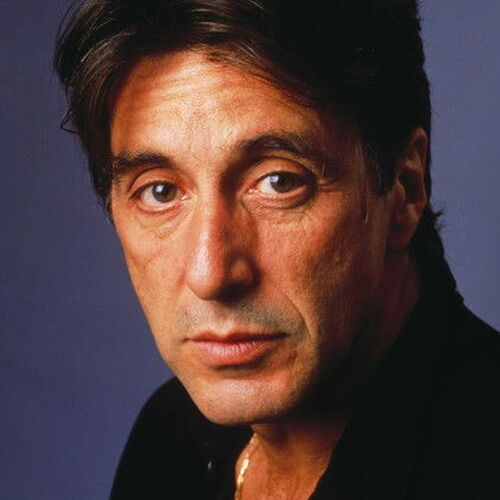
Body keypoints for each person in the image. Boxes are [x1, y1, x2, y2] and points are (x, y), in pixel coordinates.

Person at [54, 0, 500, 498]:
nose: (210, 274)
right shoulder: (172, 440)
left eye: (279, 182)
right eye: (160, 192)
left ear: (404, 189)